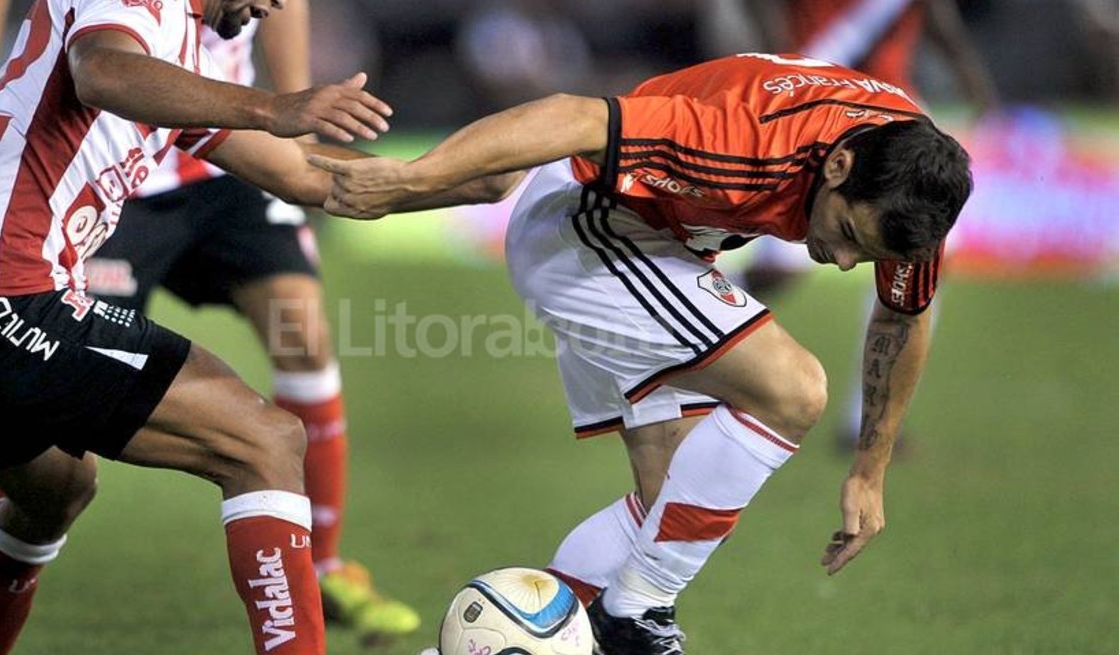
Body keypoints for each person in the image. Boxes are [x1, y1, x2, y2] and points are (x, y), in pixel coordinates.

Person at [0, 0, 505, 652]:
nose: (274, 7)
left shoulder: (176, 57)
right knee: (264, 441)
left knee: (57, 492)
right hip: (0, 292)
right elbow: (100, 70)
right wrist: (271, 106)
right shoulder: (133, 17)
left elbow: (299, 177)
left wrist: (452, 181)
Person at [308, 52, 972, 655]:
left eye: (869, 253)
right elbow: (572, 116)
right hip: (589, 228)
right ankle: (640, 617)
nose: (845, 260)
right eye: (847, 233)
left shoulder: (913, 188)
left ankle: (506, 643)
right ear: (837, 166)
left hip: (659, 245)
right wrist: (410, 181)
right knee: (793, 388)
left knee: (678, 502)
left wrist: (869, 466)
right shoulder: (747, 142)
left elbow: (899, 315)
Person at [735, 0, 996, 449]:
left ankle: (862, 422)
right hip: (816, 106)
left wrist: (969, 77)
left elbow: (937, 18)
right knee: (780, 270)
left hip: (896, 118)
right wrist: (776, 50)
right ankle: (684, 301)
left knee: (915, 270)